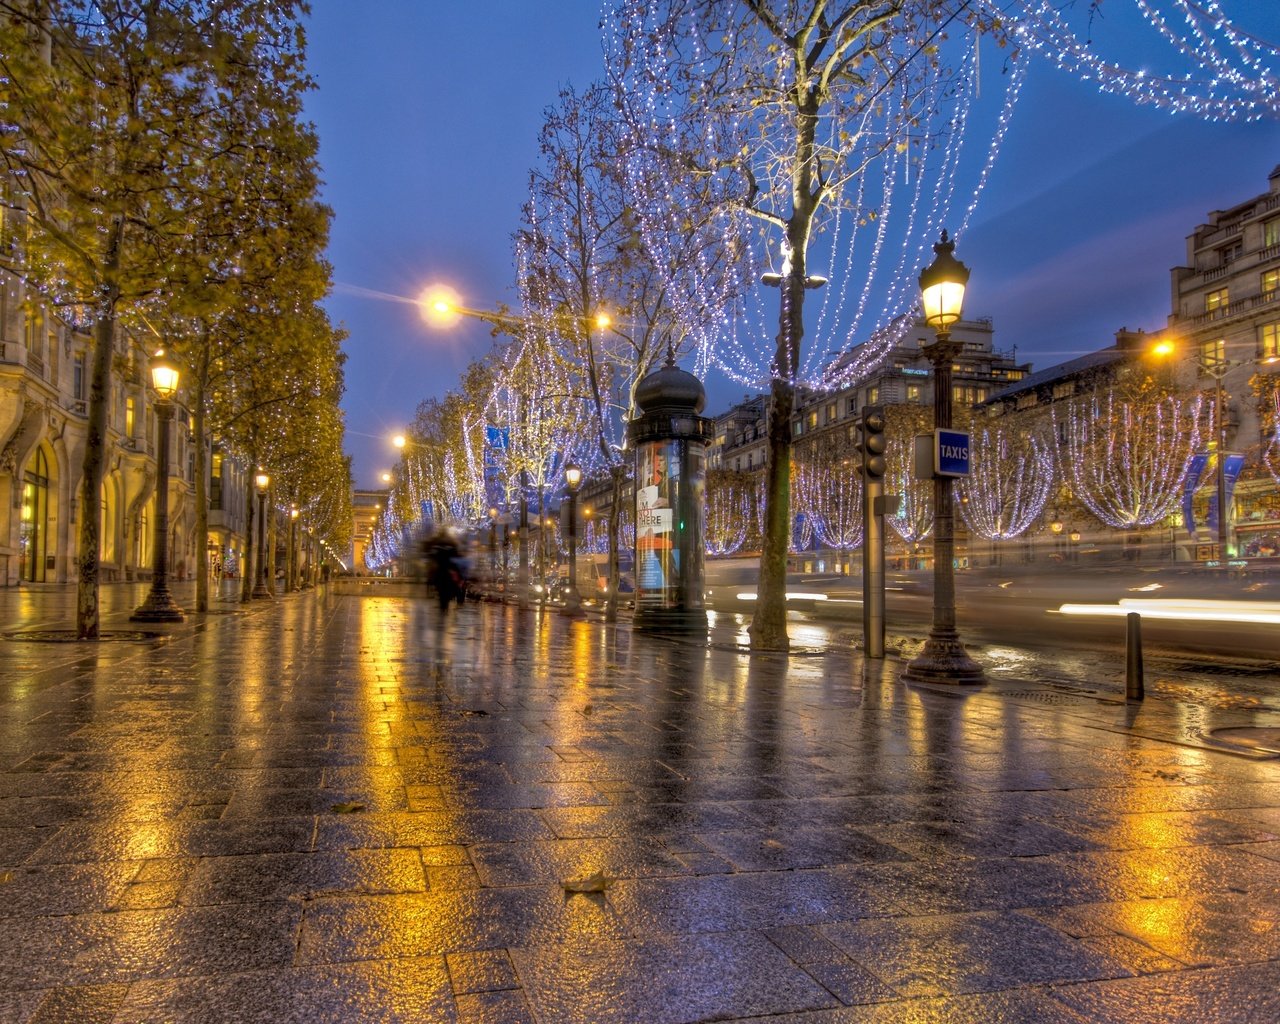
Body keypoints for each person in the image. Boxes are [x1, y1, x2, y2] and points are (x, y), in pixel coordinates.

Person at [423, 527, 463, 612]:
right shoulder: (451, 544)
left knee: (434, 577)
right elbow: (456, 556)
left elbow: (431, 555)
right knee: (455, 581)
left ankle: (435, 589)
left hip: (440, 569)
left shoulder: (436, 545)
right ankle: (453, 595)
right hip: (448, 568)